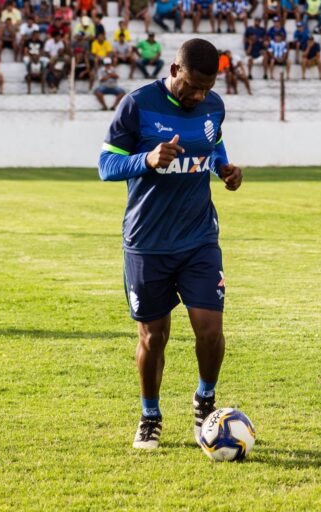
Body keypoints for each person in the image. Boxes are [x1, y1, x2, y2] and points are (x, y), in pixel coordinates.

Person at [97, 38, 243, 450]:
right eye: (192, 86)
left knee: (210, 329)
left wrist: (224, 169)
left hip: (198, 238)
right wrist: (145, 159)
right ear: (174, 70)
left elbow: (213, 143)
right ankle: (150, 415)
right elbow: (106, 165)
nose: (199, 95)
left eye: (207, 87)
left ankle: (205, 400)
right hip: (147, 242)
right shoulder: (138, 104)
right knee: (153, 336)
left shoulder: (213, 105)